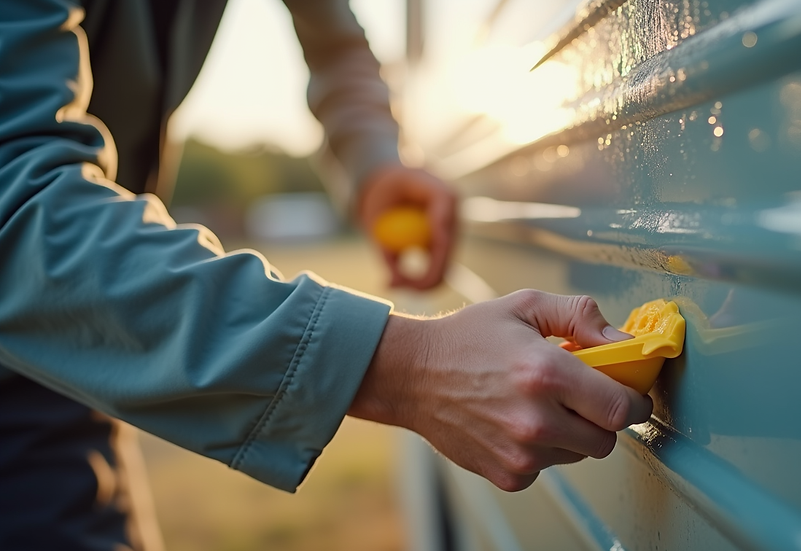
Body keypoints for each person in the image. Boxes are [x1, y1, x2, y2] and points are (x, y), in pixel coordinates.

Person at [0, 0, 653, 549]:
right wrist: (405, 365)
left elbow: (336, 41)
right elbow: (13, 204)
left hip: (68, 365)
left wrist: (374, 158)